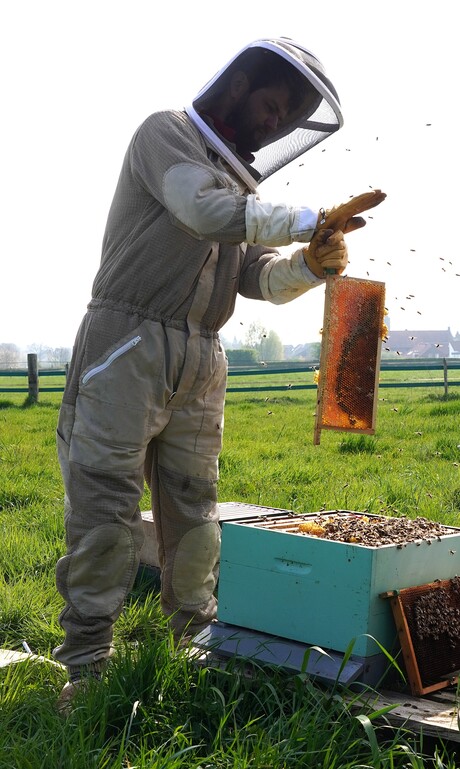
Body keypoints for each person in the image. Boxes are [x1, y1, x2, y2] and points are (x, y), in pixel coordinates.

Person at [54, 37, 376, 706]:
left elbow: (251, 274)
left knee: (196, 514)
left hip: (202, 357)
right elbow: (201, 211)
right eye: (269, 104)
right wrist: (312, 217)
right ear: (235, 87)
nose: (272, 122)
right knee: (105, 510)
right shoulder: (165, 135)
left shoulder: (241, 189)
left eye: (283, 117)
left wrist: (312, 266)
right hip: (128, 342)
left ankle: (192, 649)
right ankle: (86, 665)